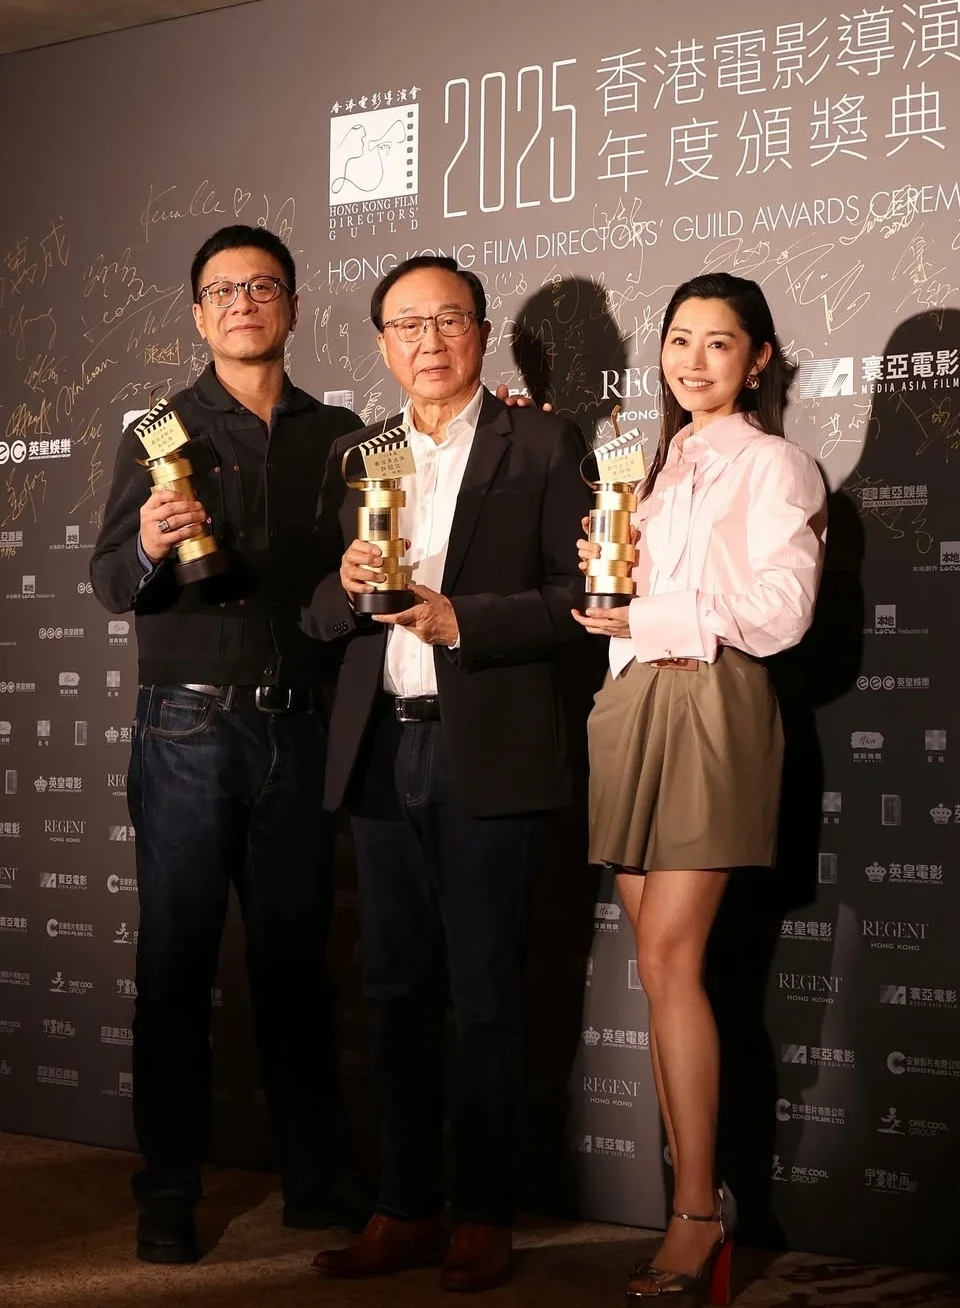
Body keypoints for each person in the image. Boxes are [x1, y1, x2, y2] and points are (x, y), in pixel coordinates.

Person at [303, 255, 590, 1293]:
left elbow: (579, 600)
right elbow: (315, 616)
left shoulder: (543, 443)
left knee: (486, 993)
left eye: (449, 320)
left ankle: (484, 1213)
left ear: (481, 331)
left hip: (489, 751)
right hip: (381, 750)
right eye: (407, 324)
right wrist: (343, 589)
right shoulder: (355, 454)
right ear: (383, 343)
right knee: (393, 991)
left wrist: (462, 620)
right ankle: (404, 1206)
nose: (429, 342)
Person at [90, 225, 373, 1262]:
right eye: (222, 291)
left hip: (300, 722)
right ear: (198, 315)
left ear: (292, 304)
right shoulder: (157, 431)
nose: (242, 304)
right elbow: (109, 581)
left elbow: (362, 568)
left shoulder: (341, 435)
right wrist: (149, 542)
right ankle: (168, 1189)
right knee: (176, 964)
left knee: (298, 967)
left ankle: (315, 1180)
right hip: (187, 725)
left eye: (261, 287)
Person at [573, 273, 827, 1306]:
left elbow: (782, 612)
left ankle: (694, 1214)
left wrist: (652, 614)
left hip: (713, 699)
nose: (693, 361)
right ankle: (694, 1199)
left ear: (757, 360)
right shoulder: (649, 468)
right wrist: (614, 602)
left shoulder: (775, 464)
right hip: (631, 702)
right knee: (657, 966)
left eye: (718, 342)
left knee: (672, 959)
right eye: (678, 340)